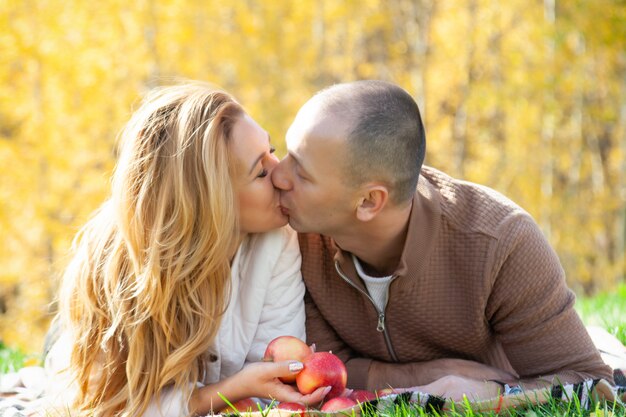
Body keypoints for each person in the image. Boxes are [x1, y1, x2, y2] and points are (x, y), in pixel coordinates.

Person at [271, 80, 614, 401]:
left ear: (368, 201)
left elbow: (588, 380)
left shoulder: (501, 243)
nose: (278, 174)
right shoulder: (296, 239)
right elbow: (330, 368)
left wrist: (488, 392)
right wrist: (432, 374)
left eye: (301, 172)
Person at [43, 82, 328, 417]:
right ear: (210, 202)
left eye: (272, 149)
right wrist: (229, 391)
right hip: (69, 349)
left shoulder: (278, 240)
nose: (281, 173)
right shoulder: (116, 269)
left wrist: (239, 392)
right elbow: (102, 406)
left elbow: (273, 382)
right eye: (260, 172)